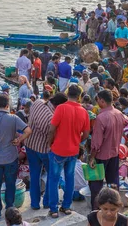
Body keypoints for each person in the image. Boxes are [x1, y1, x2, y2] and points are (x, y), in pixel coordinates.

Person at [47, 85, 90, 218]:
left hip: (58, 150)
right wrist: (77, 141)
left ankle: (53, 209)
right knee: (69, 178)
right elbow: (86, 133)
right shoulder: (83, 111)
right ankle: (66, 206)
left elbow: (51, 129)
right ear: (79, 96)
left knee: (53, 180)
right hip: (73, 151)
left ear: (67, 94)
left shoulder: (61, 108)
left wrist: (49, 144)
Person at [24, 93, 68, 210]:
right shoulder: (51, 117)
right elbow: (52, 134)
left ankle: (35, 203)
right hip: (44, 149)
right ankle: (47, 201)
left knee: (34, 174)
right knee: (52, 176)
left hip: (30, 145)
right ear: (59, 105)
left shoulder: (37, 102)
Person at [89, 89, 128, 210]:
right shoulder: (119, 113)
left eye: (98, 101)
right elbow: (126, 123)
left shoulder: (101, 117)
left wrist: (92, 157)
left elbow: (96, 142)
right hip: (114, 153)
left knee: (95, 184)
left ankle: (96, 209)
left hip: (101, 155)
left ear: (102, 101)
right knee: (113, 182)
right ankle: (113, 206)